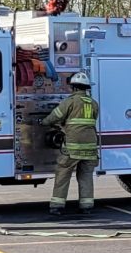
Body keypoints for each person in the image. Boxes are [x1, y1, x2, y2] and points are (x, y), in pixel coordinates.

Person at [42, 72, 99, 215]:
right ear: (86, 87)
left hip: (73, 147)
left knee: (63, 174)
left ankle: (57, 206)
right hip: (90, 146)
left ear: (73, 87)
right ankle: (87, 207)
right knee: (86, 176)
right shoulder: (93, 103)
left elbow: (55, 116)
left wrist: (43, 122)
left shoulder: (70, 101)